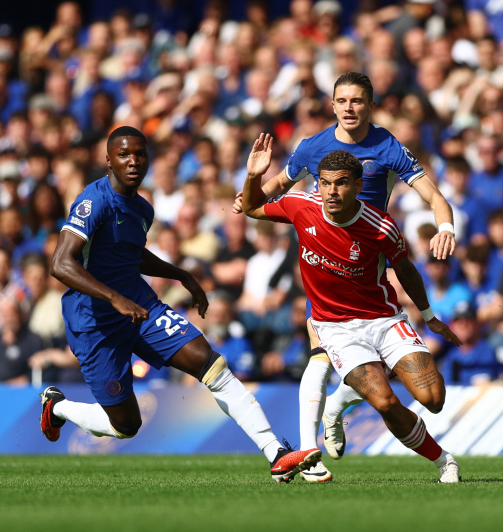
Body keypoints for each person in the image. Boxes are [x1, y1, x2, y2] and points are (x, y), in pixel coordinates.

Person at [39, 126, 321, 483]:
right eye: (124, 154)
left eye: (140, 154)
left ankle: (276, 454)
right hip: (94, 319)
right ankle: (58, 406)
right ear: (108, 160)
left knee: (211, 364)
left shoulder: (142, 209)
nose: (133, 161)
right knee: (125, 425)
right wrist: (114, 298)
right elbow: (61, 263)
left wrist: (181, 274)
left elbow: (130, 253)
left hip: (140, 307)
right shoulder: (92, 201)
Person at [232, 72, 456, 465]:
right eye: (342, 101)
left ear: (370, 106)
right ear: (332, 105)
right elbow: (274, 193)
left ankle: (337, 405)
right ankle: (308, 455)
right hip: (324, 261)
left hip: (369, 268)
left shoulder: (388, 146)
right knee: (318, 356)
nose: (349, 108)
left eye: (357, 101)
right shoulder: (311, 148)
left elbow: (434, 195)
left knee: (429, 397)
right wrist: (249, 189)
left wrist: (445, 227)